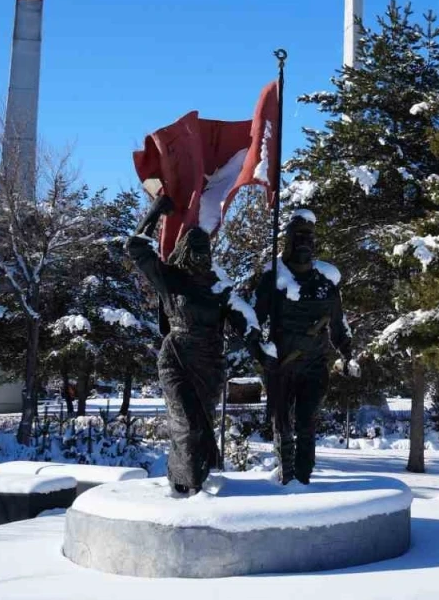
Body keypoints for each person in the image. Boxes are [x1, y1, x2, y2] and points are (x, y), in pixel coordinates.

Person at [127, 194, 273, 495]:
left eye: (205, 250)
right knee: (187, 425)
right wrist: (155, 212)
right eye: (194, 249)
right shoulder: (171, 279)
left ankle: (190, 482)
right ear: (184, 251)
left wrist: (261, 352)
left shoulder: (218, 286)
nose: (201, 255)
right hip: (176, 359)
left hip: (209, 365)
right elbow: (136, 247)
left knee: (201, 427)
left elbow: (243, 320)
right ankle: (189, 486)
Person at [252, 210, 356, 485]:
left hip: (314, 365)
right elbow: (253, 321)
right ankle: (287, 480)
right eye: (298, 237)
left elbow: (338, 324)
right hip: (282, 366)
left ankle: (303, 480)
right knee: (282, 426)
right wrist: (260, 352)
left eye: (309, 238)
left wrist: (347, 354)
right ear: (287, 240)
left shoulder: (325, 284)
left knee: (306, 424)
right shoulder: (273, 279)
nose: (304, 243)